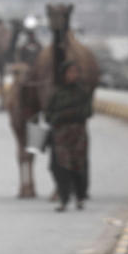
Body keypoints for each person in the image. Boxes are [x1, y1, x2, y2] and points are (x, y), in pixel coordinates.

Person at [45, 60, 92, 212]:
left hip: (78, 135)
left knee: (78, 166)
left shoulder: (83, 92)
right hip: (60, 135)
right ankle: (64, 199)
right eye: (69, 72)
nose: (73, 75)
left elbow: (88, 112)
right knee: (59, 167)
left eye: (75, 72)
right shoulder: (56, 93)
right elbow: (48, 114)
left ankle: (80, 197)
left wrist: (71, 114)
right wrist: (60, 116)